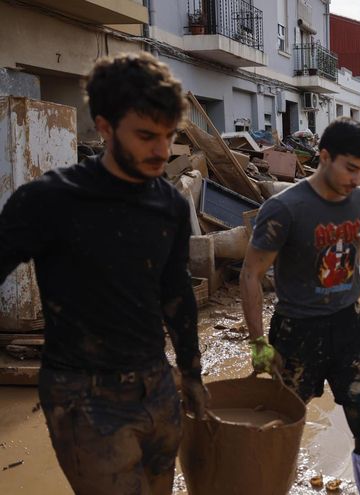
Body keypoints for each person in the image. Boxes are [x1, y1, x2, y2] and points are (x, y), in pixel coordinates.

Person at [0, 52, 207, 494]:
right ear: (106, 126)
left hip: (157, 385)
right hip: (84, 399)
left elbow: (176, 295)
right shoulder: (48, 202)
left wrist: (191, 373)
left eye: (169, 136)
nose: (161, 151)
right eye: (147, 136)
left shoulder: (168, 204)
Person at [240, 118, 360, 494]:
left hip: (348, 328)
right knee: (280, 426)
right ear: (324, 157)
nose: (357, 179)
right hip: (296, 334)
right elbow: (251, 275)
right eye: (350, 168)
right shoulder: (285, 209)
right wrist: (258, 342)